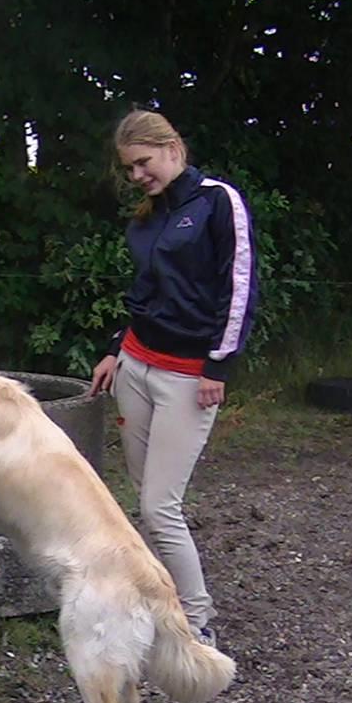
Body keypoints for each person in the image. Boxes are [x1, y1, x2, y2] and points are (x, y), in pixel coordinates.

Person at [90, 108, 257, 646]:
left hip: (189, 377)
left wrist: (219, 365)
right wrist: (116, 348)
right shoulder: (148, 216)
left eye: (143, 163)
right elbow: (144, 292)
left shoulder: (216, 201)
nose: (138, 175)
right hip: (136, 367)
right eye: (130, 169)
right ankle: (155, 602)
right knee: (145, 499)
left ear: (171, 148)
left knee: (160, 507)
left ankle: (196, 622)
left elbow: (240, 285)